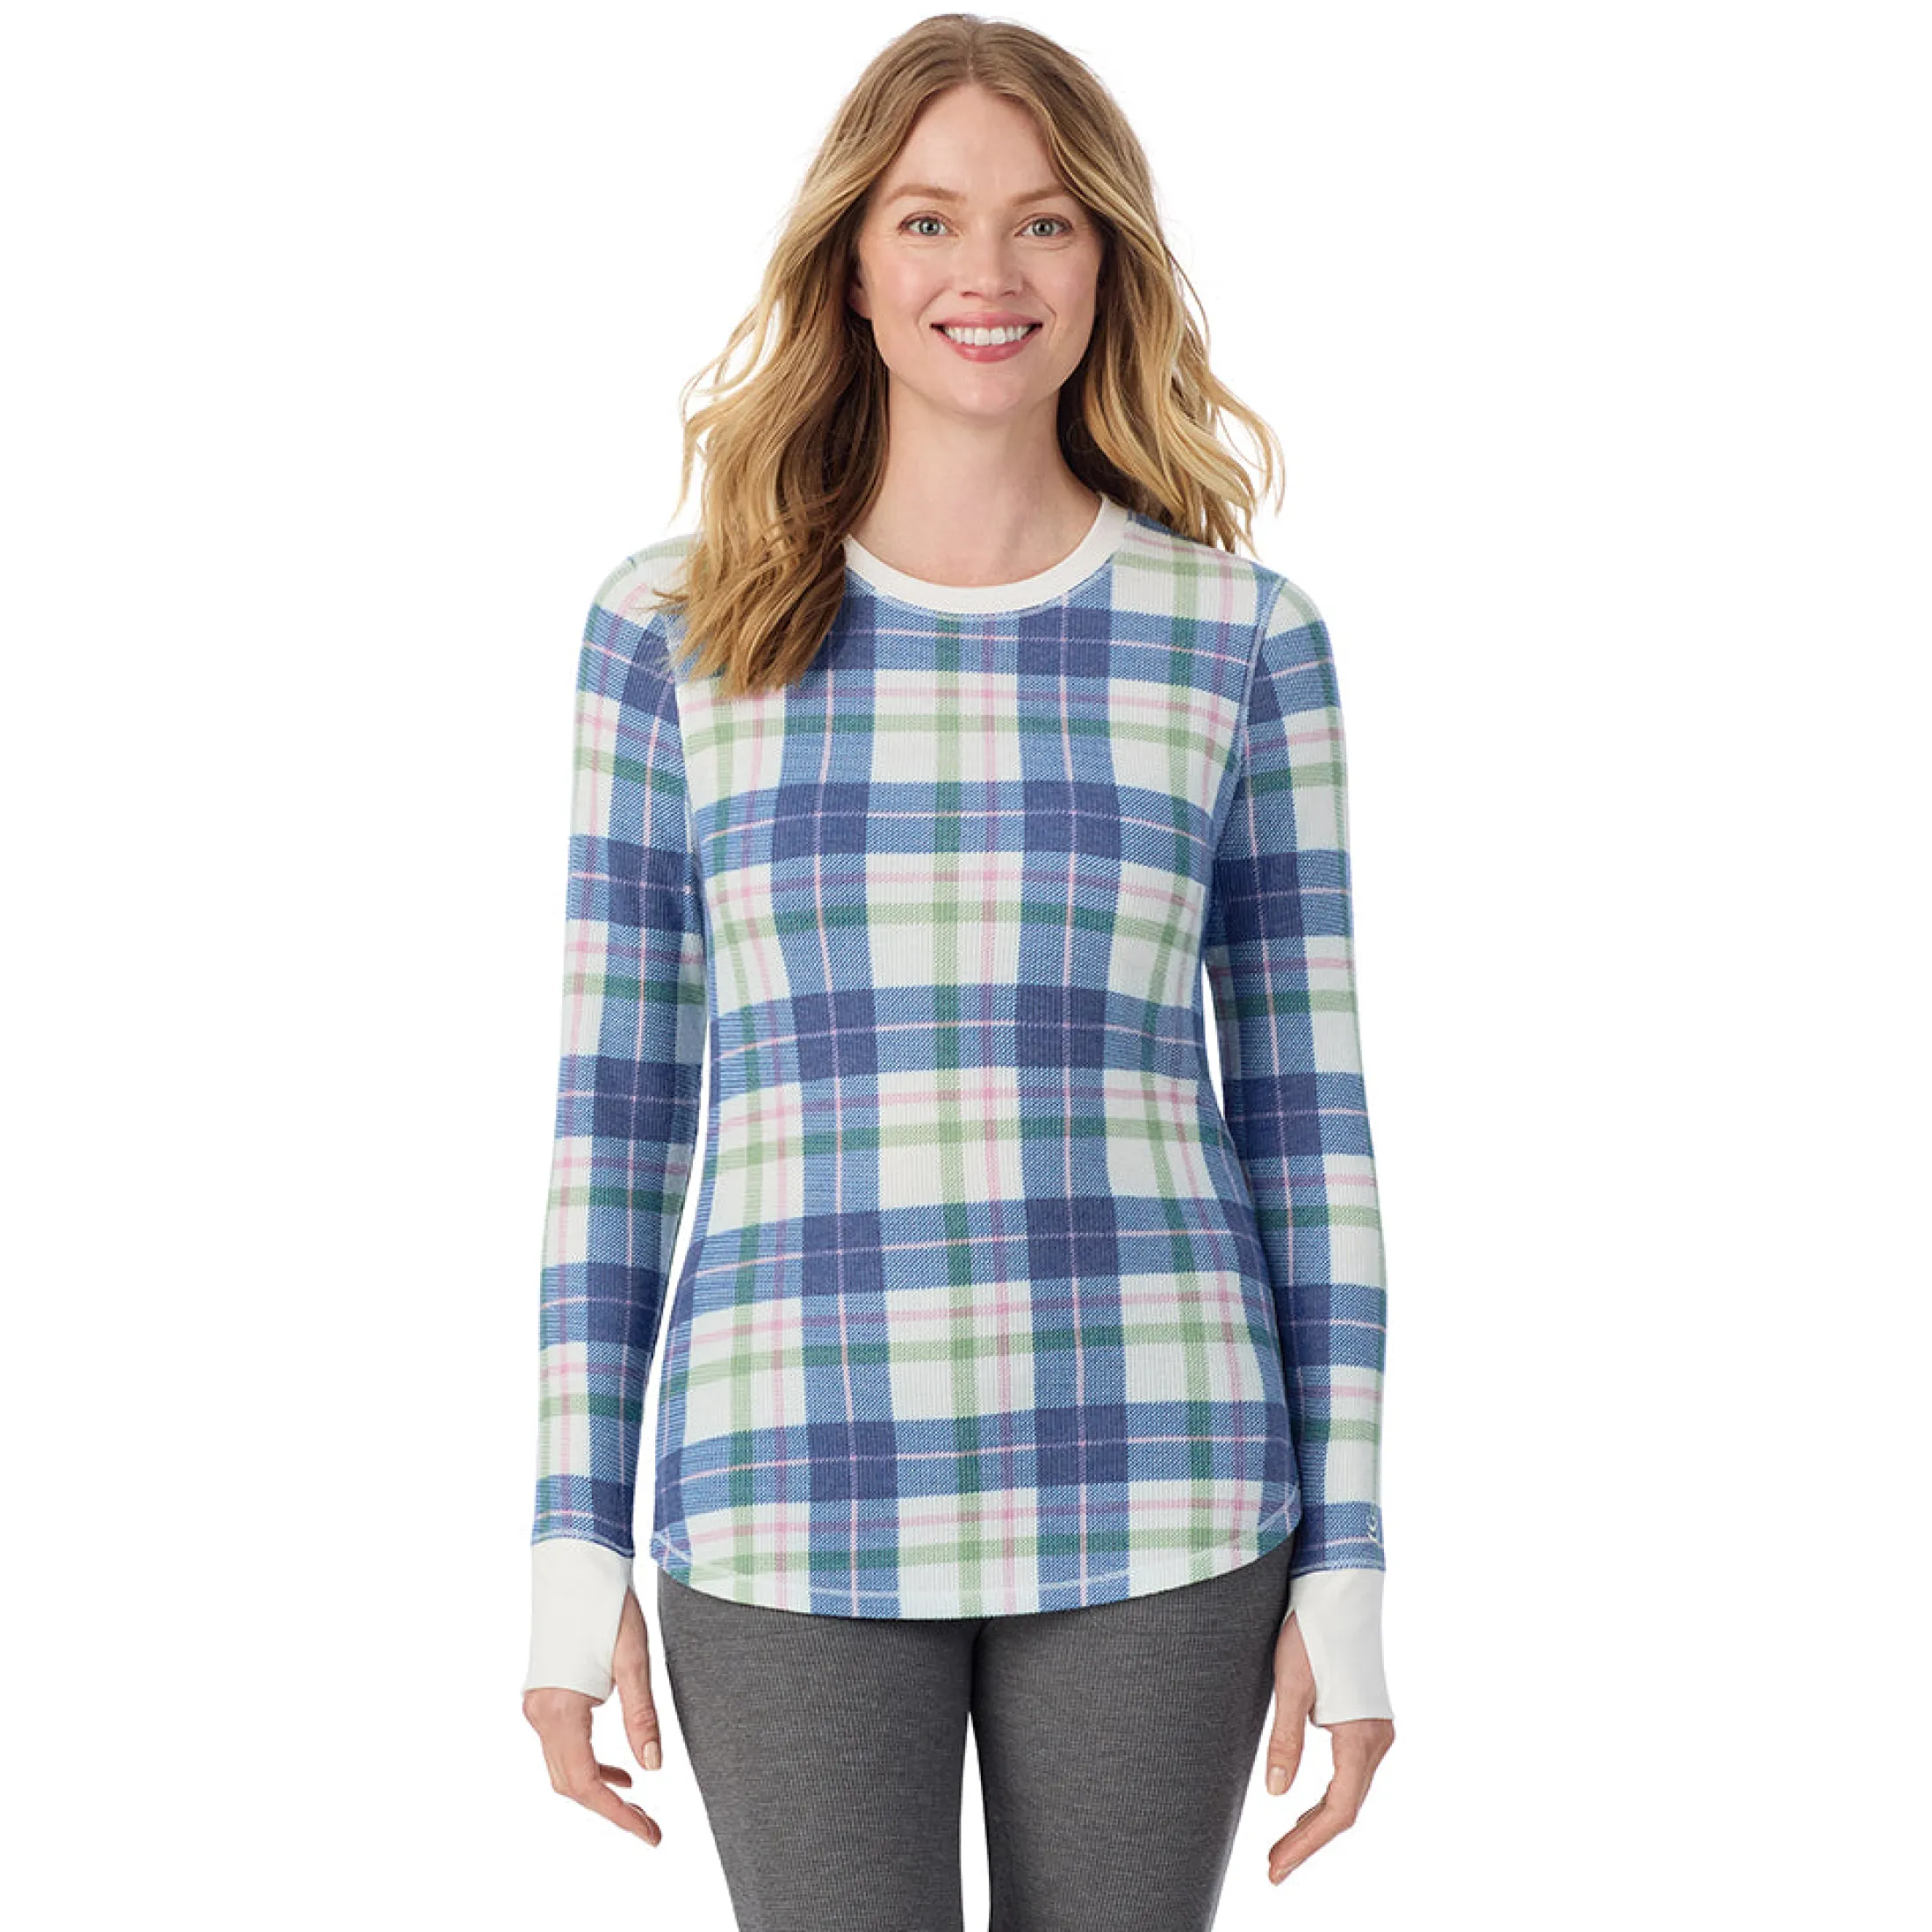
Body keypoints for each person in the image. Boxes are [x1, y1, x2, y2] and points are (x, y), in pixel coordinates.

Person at [520, 14, 1395, 1928]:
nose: (985, 272)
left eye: (1043, 222)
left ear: (1109, 262)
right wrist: (574, 1541)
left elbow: (1307, 1129)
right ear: (850, 260)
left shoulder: (1238, 638)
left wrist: (1346, 1561)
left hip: (1160, 1484)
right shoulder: (672, 631)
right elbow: (619, 1116)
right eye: (926, 220)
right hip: (786, 1487)